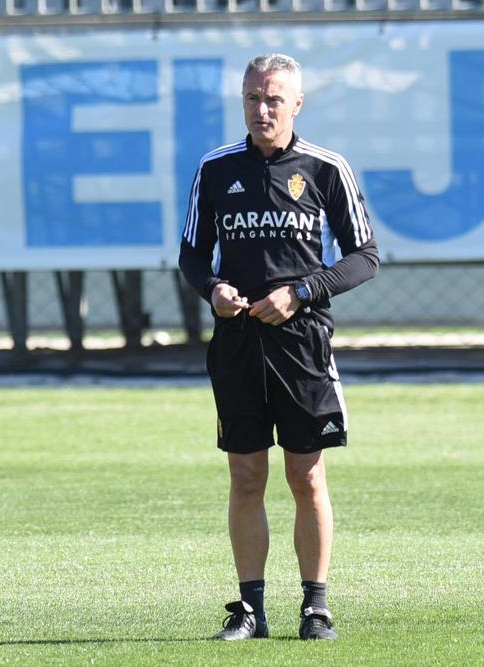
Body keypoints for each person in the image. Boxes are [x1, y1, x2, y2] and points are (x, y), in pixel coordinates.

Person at [178, 54, 379, 642]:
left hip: (302, 343)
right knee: (245, 475)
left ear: (296, 103)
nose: (262, 109)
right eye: (252, 98)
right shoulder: (215, 169)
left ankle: (315, 607)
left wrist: (302, 291)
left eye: (273, 99)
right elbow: (192, 254)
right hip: (237, 342)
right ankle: (249, 610)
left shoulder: (325, 169)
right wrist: (212, 288)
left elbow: (365, 257)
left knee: (307, 475)